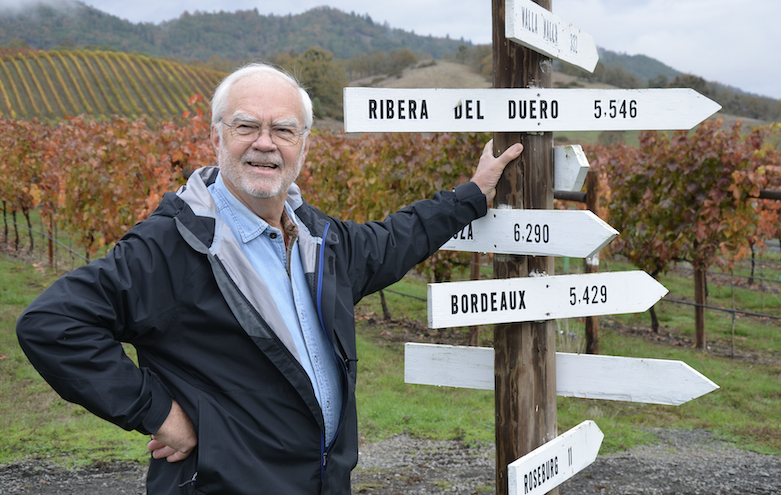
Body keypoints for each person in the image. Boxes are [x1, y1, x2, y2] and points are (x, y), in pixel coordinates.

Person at [16, 63, 523, 494]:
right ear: (216, 137)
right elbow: (53, 325)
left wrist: (473, 194)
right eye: (245, 127)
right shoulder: (172, 244)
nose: (265, 144)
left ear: (304, 145)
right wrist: (161, 413)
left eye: (283, 129)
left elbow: (394, 241)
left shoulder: (319, 239)